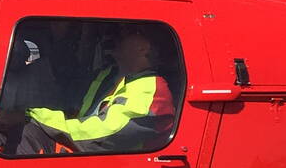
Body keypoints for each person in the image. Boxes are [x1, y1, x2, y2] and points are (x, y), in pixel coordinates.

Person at [14, 27, 174, 155]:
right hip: (82, 152)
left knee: (27, 132)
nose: (121, 34)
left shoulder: (153, 89)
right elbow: (71, 109)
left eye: (131, 31)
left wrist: (33, 116)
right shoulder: (107, 75)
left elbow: (104, 136)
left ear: (143, 48)